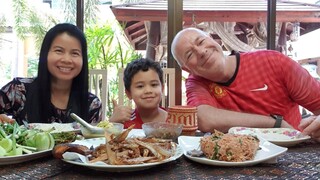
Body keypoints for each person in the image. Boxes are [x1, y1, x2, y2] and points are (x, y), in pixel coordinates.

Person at [171, 27, 320, 141]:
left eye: (201, 41)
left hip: (291, 153)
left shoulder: (274, 61)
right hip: (235, 162)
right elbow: (205, 119)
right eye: (190, 54)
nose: (201, 52)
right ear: (187, 69)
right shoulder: (196, 82)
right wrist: (275, 123)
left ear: (213, 39)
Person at [0, 23, 102, 125]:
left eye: (75, 53)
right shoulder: (18, 90)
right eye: (59, 51)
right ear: (45, 53)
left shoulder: (91, 104)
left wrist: (113, 124)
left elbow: (97, 139)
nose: (67, 60)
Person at [109, 58, 167, 129]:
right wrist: (112, 123)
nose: (148, 90)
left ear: (162, 88)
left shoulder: (174, 119)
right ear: (128, 93)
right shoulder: (124, 122)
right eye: (140, 86)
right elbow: (104, 137)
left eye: (154, 85)